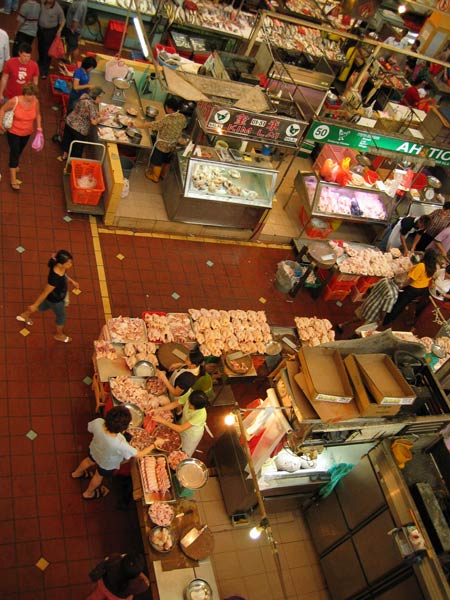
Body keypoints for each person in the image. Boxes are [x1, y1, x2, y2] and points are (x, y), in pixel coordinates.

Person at [72, 405, 154, 500]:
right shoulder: (120, 443)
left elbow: (90, 428)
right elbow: (139, 454)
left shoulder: (99, 422)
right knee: (98, 475)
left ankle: (76, 473)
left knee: (88, 461)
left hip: (95, 450)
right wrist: (154, 444)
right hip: (107, 463)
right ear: (123, 428)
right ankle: (88, 493)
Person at [16, 249, 77, 341]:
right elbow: (45, 292)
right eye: (68, 263)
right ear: (60, 264)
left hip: (53, 297)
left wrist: (71, 280)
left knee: (42, 307)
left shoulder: (60, 268)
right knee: (61, 316)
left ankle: (25, 315)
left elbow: (64, 275)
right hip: (56, 301)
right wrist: (34, 304)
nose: (70, 265)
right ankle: (59, 335)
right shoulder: (54, 279)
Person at [0, 81, 42, 190]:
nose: (31, 98)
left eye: (33, 95)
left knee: (20, 150)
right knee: (14, 151)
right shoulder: (15, 101)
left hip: (27, 132)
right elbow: (2, 110)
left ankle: (13, 163)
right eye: (29, 95)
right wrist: (0, 123)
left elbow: (37, 115)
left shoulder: (35, 102)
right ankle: (13, 178)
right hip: (13, 132)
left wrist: (39, 128)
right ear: (24, 93)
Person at [383, 249, 438, 326]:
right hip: (422, 288)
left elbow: (411, 280)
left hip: (413, 288)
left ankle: (386, 321)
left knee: (399, 304)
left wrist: (401, 286)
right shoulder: (433, 267)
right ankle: (391, 318)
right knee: (404, 303)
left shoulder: (421, 266)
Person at [152, 390, 209, 457]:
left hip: (191, 434)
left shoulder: (200, 415)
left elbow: (180, 429)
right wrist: (160, 409)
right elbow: (174, 404)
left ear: (197, 408)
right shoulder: (191, 397)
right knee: (173, 442)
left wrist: (162, 420)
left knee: (184, 452)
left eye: (190, 405)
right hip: (183, 423)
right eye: (189, 401)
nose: (188, 404)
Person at [144, 96, 187, 183]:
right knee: (167, 160)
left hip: (162, 145)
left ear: (168, 108)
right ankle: (163, 175)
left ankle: (155, 177)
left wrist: (138, 124)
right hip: (173, 145)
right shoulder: (182, 117)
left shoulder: (166, 119)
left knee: (157, 161)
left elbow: (154, 125)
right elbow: (184, 126)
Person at [58, 86, 104, 161]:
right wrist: (101, 118)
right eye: (100, 98)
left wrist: (98, 113)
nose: (101, 100)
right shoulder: (91, 105)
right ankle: (73, 161)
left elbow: (85, 111)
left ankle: (64, 155)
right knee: (77, 147)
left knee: (67, 140)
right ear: (97, 97)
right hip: (79, 129)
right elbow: (94, 122)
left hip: (70, 122)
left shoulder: (84, 97)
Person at [37, 0, 65, 79]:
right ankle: (40, 62)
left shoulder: (58, 8)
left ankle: (44, 70)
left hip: (50, 32)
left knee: (47, 50)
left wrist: (59, 31)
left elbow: (63, 21)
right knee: (40, 47)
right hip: (40, 29)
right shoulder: (42, 3)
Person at [63, 0, 87, 64]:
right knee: (70, 44)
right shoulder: (78, 2)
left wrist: (72, 30)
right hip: (72, 28)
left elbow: (76, 19)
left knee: (74, 47)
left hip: (74, 29)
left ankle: (73, 63)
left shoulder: (80, 4)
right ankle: (66, 57)